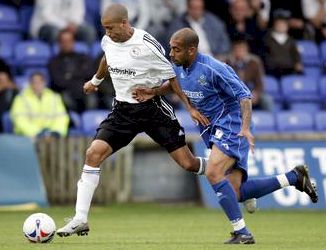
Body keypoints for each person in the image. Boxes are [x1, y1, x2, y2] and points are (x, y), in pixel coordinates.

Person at [132, 28, 318, 244]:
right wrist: (152, 91)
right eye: (171, 48)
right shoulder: (179, 66)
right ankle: (294, 177)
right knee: (235, 192)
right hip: (211, 129)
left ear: (192, 50)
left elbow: (245, 96)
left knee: (213, 173)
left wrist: (246, 128)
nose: (171, 54)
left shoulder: (214, 68)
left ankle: (242, 232)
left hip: (232, 124)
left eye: (176, 49)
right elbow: (174, 85)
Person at [56, 3, 211, 237]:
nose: (107, 33)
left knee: (188, 164)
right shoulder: (108, 40)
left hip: (153, 111)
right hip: (123, 112)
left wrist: (188, 107)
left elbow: (173, 77)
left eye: (110, 28)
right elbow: (107, 59)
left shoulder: (147, 45)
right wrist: (95, 81)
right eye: (104, 28)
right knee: (93, 154)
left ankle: (221, 169)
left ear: (124, 23)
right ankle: (80, 219)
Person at [48, 29, 96, 113]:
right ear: (59, 43)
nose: (66, 44)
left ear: (73, 42)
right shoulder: (54, 61)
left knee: (92, 98)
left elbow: (90, 73)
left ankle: (87, 120)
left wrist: (69, 75)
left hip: (83, 91)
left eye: (69, 41)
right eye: (64, 41)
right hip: (66, 92)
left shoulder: (83, 57)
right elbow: (58, 82)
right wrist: (80, 75)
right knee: (64, 98)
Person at [10, 72, 69, 137]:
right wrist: (37, 133)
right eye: (34, 82)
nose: (37, 85)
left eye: (40, 82)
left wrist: (56, 132)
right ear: (30, 83)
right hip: (28, 136)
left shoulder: (54, 97)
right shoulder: (21, 98)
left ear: (44, 83)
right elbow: (20, 120)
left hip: (51, 135)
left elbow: (62, 117)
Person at [225, 37, 273, 111]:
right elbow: (225, 83)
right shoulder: (227, 63)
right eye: (237, 50)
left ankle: (270, 121)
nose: (240, 52)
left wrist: (256, 94)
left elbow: (260, 83)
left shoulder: (254, 62)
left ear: (246, 51)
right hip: (234, 94)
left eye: (242, 50)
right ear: (233, 51)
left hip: (251, 91)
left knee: (267, 100)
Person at [30, 0, 96, 44]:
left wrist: (74, 23)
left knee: (88, 31)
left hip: (71, 26)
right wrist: (65, 26)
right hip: (45, 25)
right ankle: (57, 60)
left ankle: (85, 60)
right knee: (54, 32)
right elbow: (45, 15)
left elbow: (79, 11)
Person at [263, 9, 304, 78]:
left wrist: (298, 64)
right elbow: (265, 55)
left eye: (283, 24)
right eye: (279, 24)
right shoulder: (268, 39)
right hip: (273, 70)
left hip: (289, 70)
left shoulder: (291, 41)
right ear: (274, 25)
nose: (281, 26)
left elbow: (295, 55)